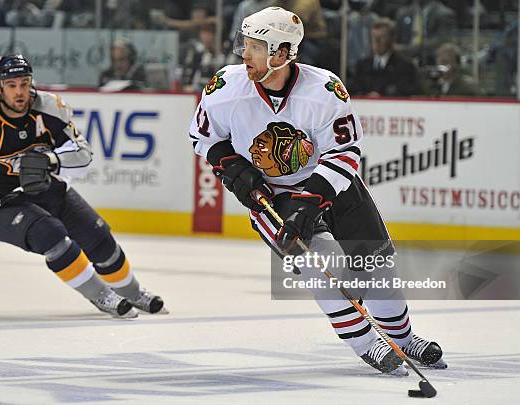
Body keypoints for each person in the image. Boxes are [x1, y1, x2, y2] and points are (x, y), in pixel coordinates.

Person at [188, 7, 446, 374]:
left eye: (254, 47)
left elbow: (345, 152)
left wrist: (309, 207)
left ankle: (402, 339)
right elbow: (202, 136)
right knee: (322, 266)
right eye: (244, 44)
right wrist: (232, 167)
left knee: (376, 267)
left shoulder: (323, 89)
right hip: (273, 194)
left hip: (331, 186)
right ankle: (367, 343)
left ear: (281, 53)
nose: (244, 54)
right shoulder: (226, 87)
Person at [0, 54, 165, 318]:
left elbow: (83, 154)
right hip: (3, 204)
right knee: (52, 235)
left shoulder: (50, 107)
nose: (20, 92)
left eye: (24, 83)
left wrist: (51, 159)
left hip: (49, 190)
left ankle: (133, 293)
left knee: (100, 239)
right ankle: (101, 295)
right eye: (12, 85)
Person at [351, 17, 421, 96]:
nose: (377, 41)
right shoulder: (362, 66)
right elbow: (353, 91)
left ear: (392, 39)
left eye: (382, 37)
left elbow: (408, 92)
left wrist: (382, 96)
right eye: (374, 37)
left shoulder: (405, 67)